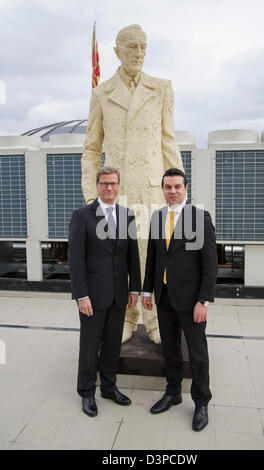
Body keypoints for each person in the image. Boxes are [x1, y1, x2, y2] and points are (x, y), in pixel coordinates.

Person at [81, 24, 184, 344]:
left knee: (156, 256)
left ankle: (154, 320)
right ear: (117, 51)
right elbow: (91, 148)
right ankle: (127, 317)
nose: (138, 53)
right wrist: (90, 196)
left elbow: (170, 142)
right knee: (120, 258)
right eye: (131, 47)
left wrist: (178, 192)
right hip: (117, 193)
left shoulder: (162, 88)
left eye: (143, 47)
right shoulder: (102, 93)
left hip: (153, 189)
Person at [142, 168, 218, 431]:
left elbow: (210, 264)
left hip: (191, 301)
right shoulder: (157, 216)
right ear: (162, 189)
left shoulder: (200, 218)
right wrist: (148, 291)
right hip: (163, 298)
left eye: (177, 186)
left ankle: (201, 403)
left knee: (197, 354)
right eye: (167, 186)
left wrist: (204, 301)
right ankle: (173, 392)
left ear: (186, 188)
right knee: (170, 349)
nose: (172, 191)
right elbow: (153, 257)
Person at [68, 166, 141, 417]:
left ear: (119, 186)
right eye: (104, 183)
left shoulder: (127, 215)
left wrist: (135, 288)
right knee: (89, 346)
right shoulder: (82, 216)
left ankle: (109, 388)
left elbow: (133, 256)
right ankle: (87, 392)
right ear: (97, 185)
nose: (109, 187)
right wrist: (81, 295)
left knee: (112, 344)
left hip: (119, 294)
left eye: (113, 183)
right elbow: (75, 260)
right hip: (93, 296)